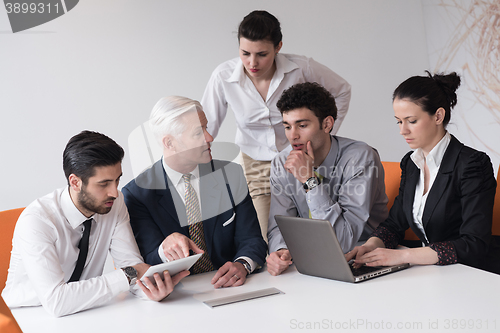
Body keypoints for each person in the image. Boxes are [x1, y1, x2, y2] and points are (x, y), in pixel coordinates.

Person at [201, 10, 351, 242]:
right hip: (255, 166)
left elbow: (342, 91)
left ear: (278, 46)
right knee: (268, 239)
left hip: (301, 159)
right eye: (245, 53)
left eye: (262, 54)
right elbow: (207, 127)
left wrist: (323, 135)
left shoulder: (301, 68)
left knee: (318, 231)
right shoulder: (223, 77)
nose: (252, 62)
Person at [1, 131, 185, 317]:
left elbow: (131, 266)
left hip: (86, 309)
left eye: (117, 180)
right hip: (27, 316)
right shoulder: (37, 221)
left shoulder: (114, 203)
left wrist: (150, 290)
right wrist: (130, 274)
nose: (114, 191)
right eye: (104, 184)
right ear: (75, 182)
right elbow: (57, 302)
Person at [346, 72, 498, 273]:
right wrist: (370, 247)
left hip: (472, 272)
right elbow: (394, 224)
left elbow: (473, 243)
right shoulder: (411, 163)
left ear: (438, 116)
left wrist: (403, 256)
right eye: (399, 121)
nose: (403, 130)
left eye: (411, 121)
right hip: (434, 272)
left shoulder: (472, 164)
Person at [122, 96, 267, 289]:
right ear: (170, 143)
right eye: (199, 132)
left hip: (232, 288)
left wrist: (243, 264)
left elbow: (252, 239)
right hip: (178, 296)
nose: (210, 137)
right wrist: (165, 250)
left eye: (206, 128)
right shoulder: (137, 194)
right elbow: (147, 258)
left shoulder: (231, 175)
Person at [266, 82, 388, 276]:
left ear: (327, 124)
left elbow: (342, 240)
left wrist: (309, 180)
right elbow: (278, 225)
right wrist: (281, 251)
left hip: (364, 258)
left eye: (302, 125)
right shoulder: (282, 162)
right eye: (287, 126)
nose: (293, 136)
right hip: (313, 261)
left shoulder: (360, 158)